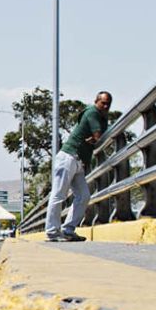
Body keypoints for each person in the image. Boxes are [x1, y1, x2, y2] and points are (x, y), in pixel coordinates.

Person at [46, 90, 114, 242]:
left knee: (84, 196)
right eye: (103, 103)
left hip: (79, 161)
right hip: (69, 157)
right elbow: (98, 136)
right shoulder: (92, 112)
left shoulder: (102, 117)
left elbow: (96, 138)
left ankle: (68, 230)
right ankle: (52, 232)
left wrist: (94, 139)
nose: (105, 106)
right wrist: (94, 138)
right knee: (58, 195)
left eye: (108, 104)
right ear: (96, 101)